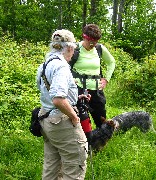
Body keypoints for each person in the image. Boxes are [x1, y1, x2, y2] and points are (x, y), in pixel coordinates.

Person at [36, 29, 89, 180]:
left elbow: (47, 91)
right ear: (70, 47)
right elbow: (58, 99)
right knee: (75, 165)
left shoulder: (44, 65)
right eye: (74, 49)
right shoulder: (61, 66)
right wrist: (73, 116)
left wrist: (75, 97)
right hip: (61, 122)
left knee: (52, 165)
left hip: (46, 120)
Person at [71, 24, 116, 129]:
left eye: (95, 41)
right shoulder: (75, 49)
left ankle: (102, 141)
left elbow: (111, 62)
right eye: (90, 41)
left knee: (101, 118)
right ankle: (83, 142)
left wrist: (106, 79)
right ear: (84, 37)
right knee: (80, 119)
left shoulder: (99, 49)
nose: (92, 44)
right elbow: (65, 65)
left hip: (96, 90)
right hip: (79, 89)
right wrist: (70, 80)